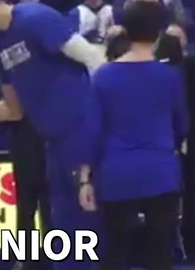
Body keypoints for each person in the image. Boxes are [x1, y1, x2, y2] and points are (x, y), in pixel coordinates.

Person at [0, 0, 105, 269]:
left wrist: (101, 112)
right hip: (53, 141)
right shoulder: (0, 46)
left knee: (87, 219)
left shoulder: (34, 16)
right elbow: (14, 110)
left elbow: (93, 57)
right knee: (62, 225)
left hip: (80, 129)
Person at [89, 1, 189, 269]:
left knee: (113, 254)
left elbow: (93, 131)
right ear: (159, 33)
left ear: (124, 30)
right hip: (161, 173)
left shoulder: (102, 76)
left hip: (116, 175)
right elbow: (181, 126)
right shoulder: (170, 77)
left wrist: (85, 178)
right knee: (159, 256)